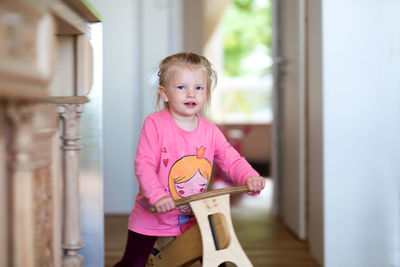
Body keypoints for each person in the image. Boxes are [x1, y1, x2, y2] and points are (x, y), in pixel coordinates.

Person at [114, 52, 266, 267]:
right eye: (181, 87)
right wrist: (157, 195)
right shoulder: (155, 124)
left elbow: (232, 160)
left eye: (198, 87)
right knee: (134, 263)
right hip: (152, 215)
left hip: (195, 216)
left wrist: (249, 177)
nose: (191, 94)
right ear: (164, 93)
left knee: (217, 258)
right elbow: (144, 164)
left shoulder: (210, 131)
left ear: (207, 93)